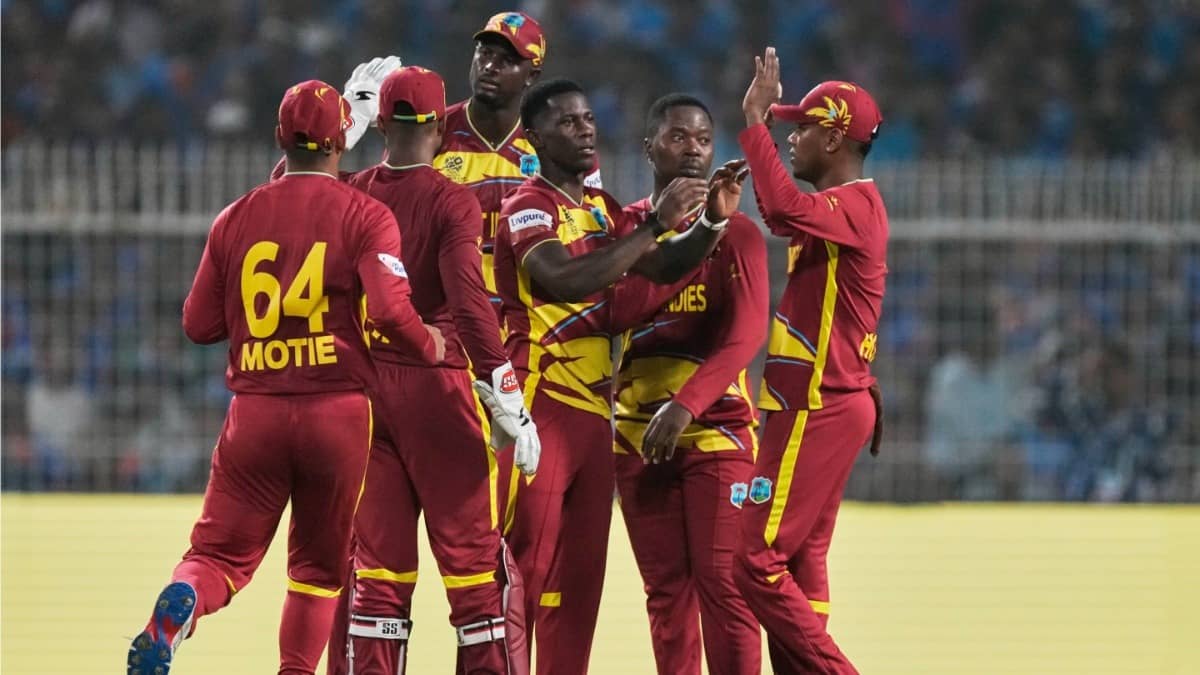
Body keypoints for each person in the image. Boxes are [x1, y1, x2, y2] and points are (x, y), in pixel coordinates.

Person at [126, 79, 445, 675]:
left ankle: (186, 602)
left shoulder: (236, 216)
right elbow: (389, 310)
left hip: (257, 411)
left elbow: (197, 324)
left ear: (280, 138)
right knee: (320, 571)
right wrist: (432, 342)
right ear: (341, 143)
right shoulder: (366, 214)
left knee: (218, 554)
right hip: (338, 412)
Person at [493, 78, 747, 674]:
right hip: (539, 406)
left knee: (578, 586)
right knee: (522, 571)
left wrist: (710, 224)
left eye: (587, 119)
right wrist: (653, 227)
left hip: (592, 419)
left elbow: (660, 268)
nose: (584, 131)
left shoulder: (603, 213)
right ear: (533, 138)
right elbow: (567, 280)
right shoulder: (528, 205)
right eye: (566, 123)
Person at [323, 66, 539, 675]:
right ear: (442, 128)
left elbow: (292, 187)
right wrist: (506, 393)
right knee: (473, 568)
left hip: (366, 394)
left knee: (381, 573)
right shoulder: (453, 201)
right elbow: (471, 305)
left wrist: (348, 124)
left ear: (385, 121)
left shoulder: (355, 190)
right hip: (437, 388)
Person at [732, 47, 886, 674]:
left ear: (833, 135)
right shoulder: (845, 211)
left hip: (815, 406)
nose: (791, 137)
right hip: (829, 400)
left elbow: (782, 210)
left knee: (753, 558)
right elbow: (781, 213)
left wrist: (752, 123)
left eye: (800, 127)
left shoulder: (852, 206)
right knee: (801, 560)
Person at [610, 93, 768, 675]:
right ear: (649, 147)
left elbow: (746, 336)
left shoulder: (740, 234)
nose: (694, 149)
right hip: (634, 437)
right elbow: (618, 310)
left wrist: (685, 406)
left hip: (717, 433)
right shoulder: (623, 229)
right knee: (666, 595)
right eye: (678, 137)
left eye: (703, 138)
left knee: (724, 587)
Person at [433, 11, 601, 317]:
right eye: (484, 53)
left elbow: (587, 240)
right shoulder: (435, 133)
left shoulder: (559, 144)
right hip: (452, 327)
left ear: (532, 75)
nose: (489, 67)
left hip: (532, 332)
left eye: (507, 60)